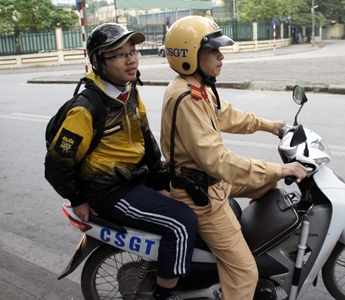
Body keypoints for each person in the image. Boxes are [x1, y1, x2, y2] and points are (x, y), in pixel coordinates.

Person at [44, 23, 197, 300]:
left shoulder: (129, 91)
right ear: (97, 62)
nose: (130, 59)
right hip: (109, 192)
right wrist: (77, 200)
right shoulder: (85, 108)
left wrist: (162, 183)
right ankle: (165, 295)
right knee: (181, 222)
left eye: (133, 52)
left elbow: (147, 142)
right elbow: (56, 164)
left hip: (133, 179)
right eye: (118, 54)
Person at [160, 16, 308, 300]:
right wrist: (278, 169)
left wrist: (270, 125)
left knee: (264, 185)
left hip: (213, 184)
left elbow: (226, 114)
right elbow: (220, 162)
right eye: (213, 51)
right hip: (202, 198)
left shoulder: (197, 88)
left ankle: (244, 245)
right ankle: (238, 260)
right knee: (245, 274)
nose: (221, 56)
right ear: (190, 56)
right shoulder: (187, 99)